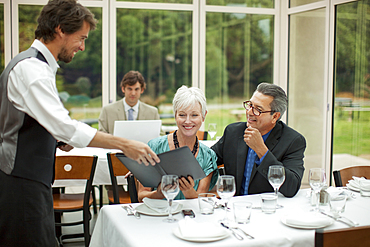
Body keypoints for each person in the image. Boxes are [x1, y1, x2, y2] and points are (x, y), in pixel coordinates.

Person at [0, 1, 159, 246]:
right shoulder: (32, 70)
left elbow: (32, 123)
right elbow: (66, 126)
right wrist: (125, 144)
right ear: (60, 29)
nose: (83, 47)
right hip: (21, 184)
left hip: (28, 181)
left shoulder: (34, 66)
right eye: (81, 38)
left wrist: (54, 138)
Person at [211, 82, 306, 198]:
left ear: (275, 116)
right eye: (250, 105)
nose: (250, 112)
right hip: (236, 207)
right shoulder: (233, 132)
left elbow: (291, 187)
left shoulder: (293, 141)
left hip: (268, 208)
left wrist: (261, 150)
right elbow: (208, 160)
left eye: (258, 109)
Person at [137, 85, 219, 201]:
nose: (188, 121)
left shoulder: (208, 157)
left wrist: (188, 191)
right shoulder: (154, 147)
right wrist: (159, 194)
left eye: (194, 115)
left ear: (204, 116)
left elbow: (201, 201)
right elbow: (141, 196)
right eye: (182, 115)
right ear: (175, 115)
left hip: (191, 217)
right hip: (159, 216)